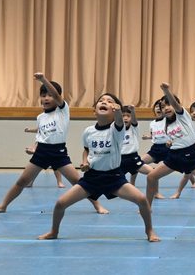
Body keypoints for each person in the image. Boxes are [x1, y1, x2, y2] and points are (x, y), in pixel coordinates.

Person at [38, 93, 159, 242]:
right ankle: (54, 232)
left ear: (115, 110)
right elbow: (87, 150)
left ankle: (149, 231)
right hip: (92, 179)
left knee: (142, 199)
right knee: (60, 204)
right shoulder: (88, 131)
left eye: (110, 102)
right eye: (101, 101)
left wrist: (119, 111)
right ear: (94, 110)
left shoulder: (116, 129)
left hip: (114, 178)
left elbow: (120, 122)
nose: (105, 102)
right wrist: (85, 162)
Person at [0, 73, 107, 214]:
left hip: (58, 153)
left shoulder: (63, 111)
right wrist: (34, 147)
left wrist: (43, 80)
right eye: (43, 95)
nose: (46, 98)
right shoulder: (40, 117)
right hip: (42, 152)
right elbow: (41, 136)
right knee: (22, 181)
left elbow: (57, 97)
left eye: (49, 95)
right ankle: (3, 205)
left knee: (78, 181)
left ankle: (97, 205)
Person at [145, 83, 195, 214]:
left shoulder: (182, 115)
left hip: (191, 156)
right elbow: (178, 137)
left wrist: (166, 90)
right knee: (151, 177)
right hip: (174, 156)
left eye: (169, 104)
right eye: (163, 106)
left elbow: (174, 103)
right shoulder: (167, 124)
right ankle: (147, 206)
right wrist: (170, 143)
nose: (166, 108)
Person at [120, 105, 155, 185]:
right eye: (123, 116)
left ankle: (155, 193)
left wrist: (132, 111)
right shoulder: (116, 129)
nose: (125, 118)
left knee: (153, 173)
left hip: (133, 158)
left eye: (128, 116)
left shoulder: (133, 128)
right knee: (112, 181)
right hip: (120, 160)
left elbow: (134, 122)